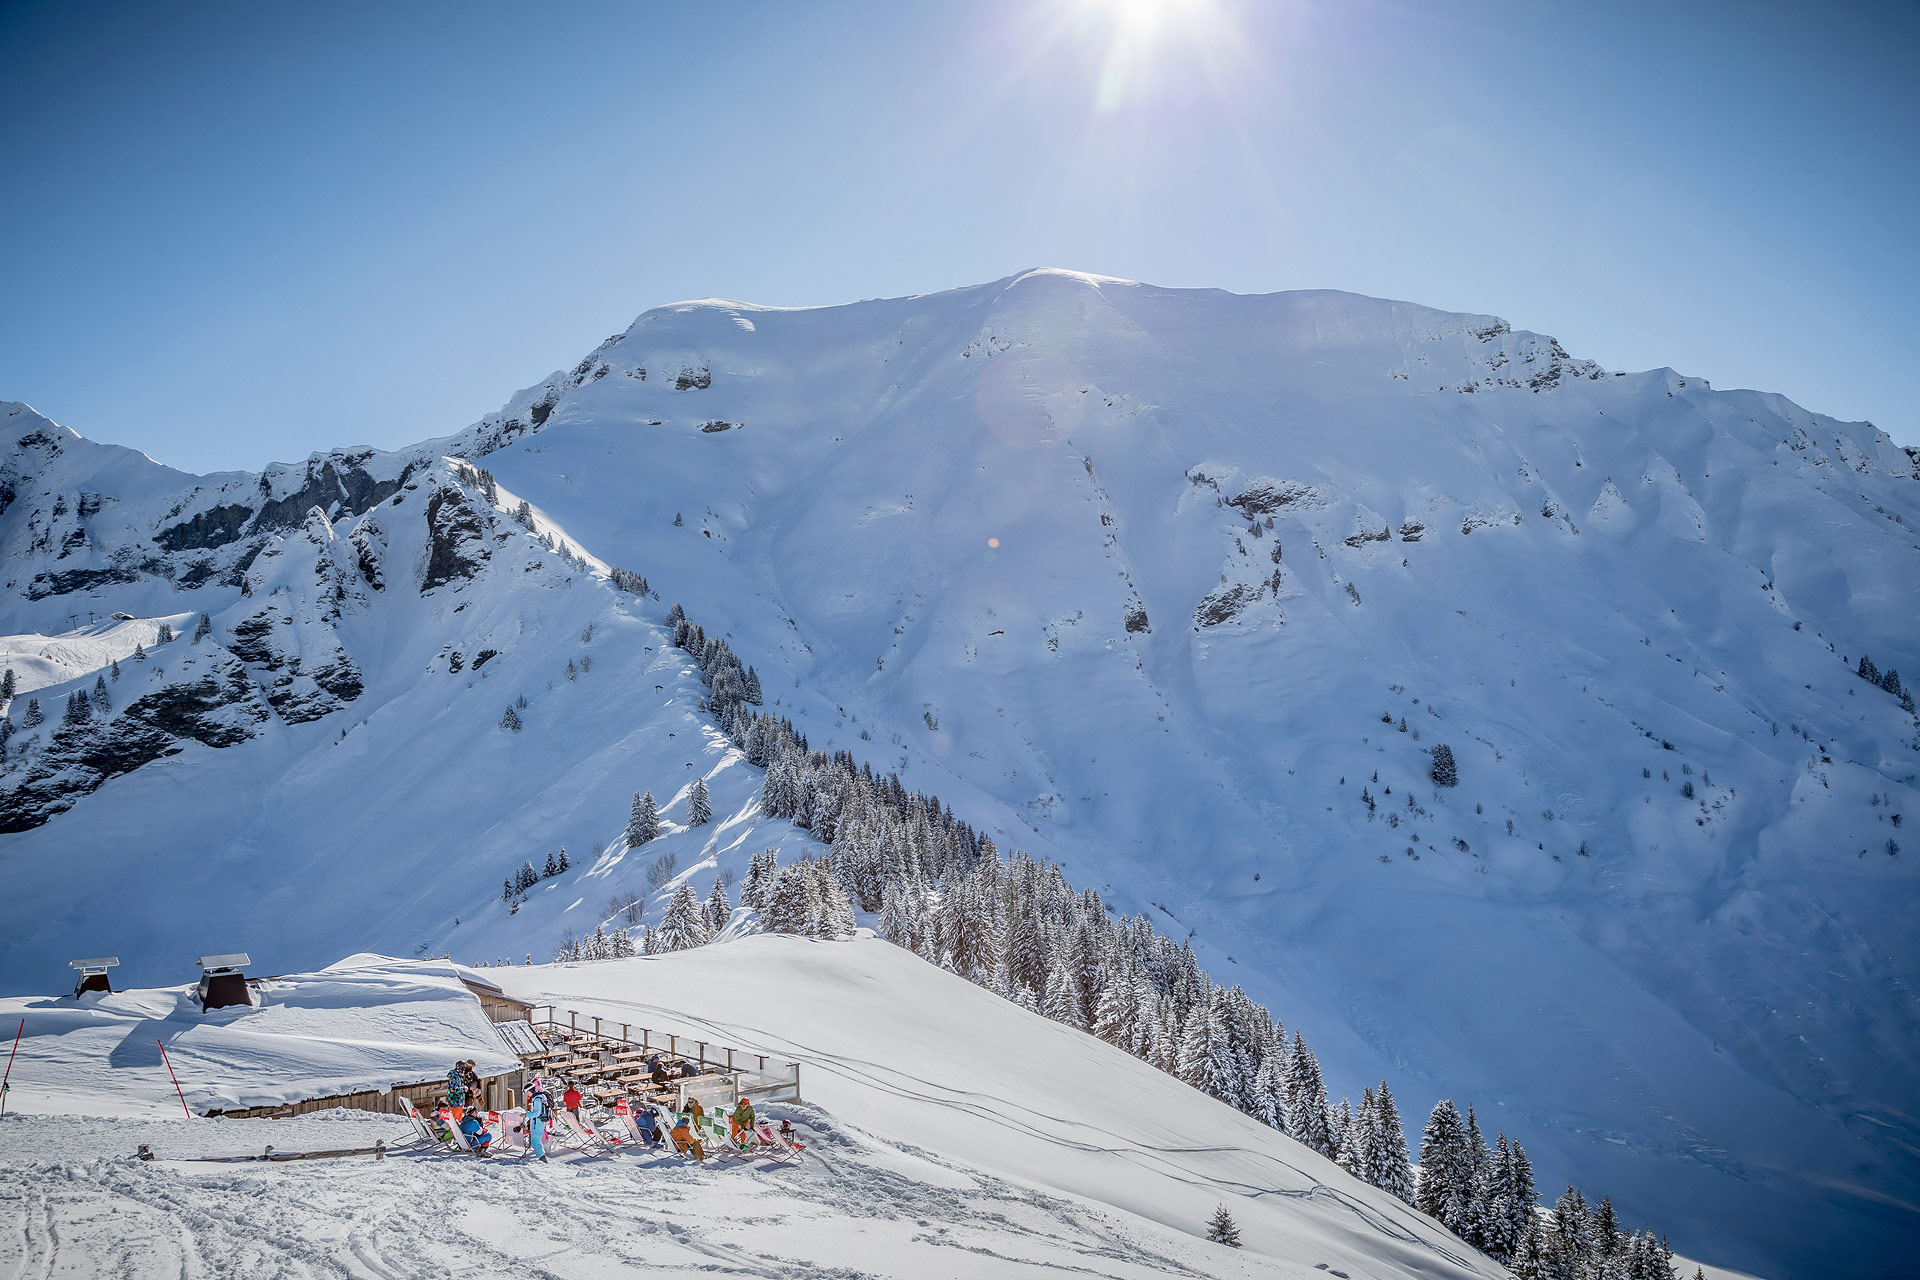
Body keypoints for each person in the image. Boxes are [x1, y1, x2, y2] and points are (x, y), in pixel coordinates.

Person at [525, 1085, 553, 1162]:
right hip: (539, 1122)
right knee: (536, 1141)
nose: (526, 1094)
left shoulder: (537, 1100)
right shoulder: (540, 1098)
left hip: (537, 1123)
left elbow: (536, 1113)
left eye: (526, 1092)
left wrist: (526, 1114)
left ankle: (542, 1157)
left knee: (535, 1142)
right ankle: (541, 1156)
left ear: (529, 1091)